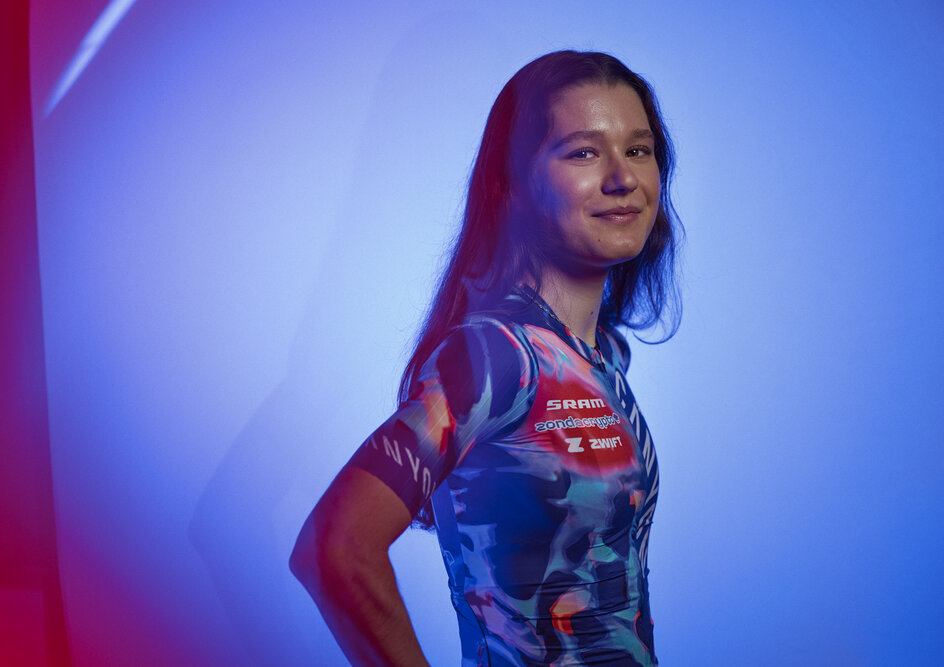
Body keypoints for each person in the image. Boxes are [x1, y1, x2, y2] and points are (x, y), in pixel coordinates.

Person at [290, 49, 682, 666]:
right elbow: (335, 549)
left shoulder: (602, 356)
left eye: (638, 149)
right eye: (583, 152)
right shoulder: (495, 356)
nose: (622, 178)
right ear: (514, 184)